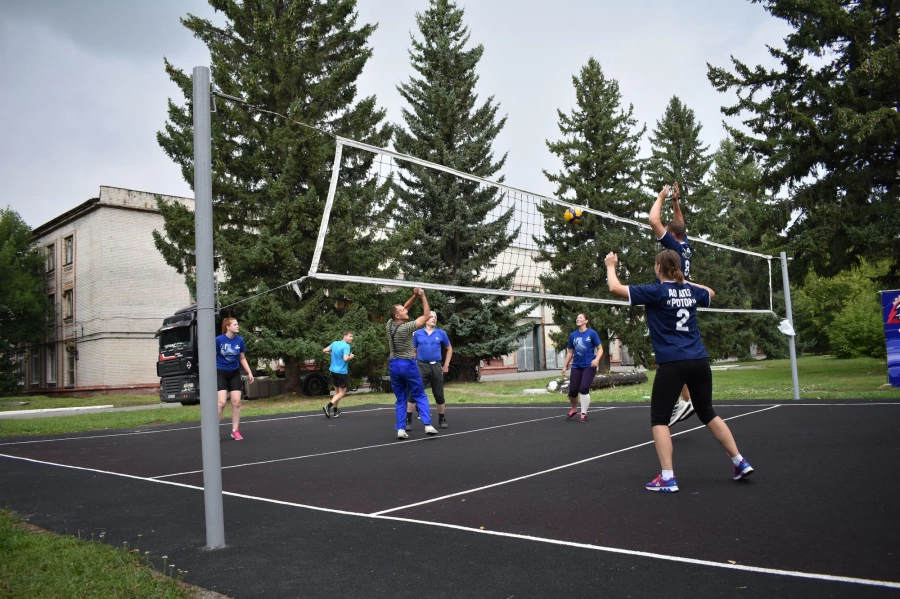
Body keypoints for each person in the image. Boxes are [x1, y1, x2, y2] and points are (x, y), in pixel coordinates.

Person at [605, 249, 754, 492]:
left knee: (660, 419)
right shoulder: (689, 290)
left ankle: (667, 477)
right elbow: (711, 293)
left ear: (657, 268)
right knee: (707, 412)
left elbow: (615, 288)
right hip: (699, 360)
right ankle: (739, 462)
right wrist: (683, 283)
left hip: (673, 362)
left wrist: (611, 266)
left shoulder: (656, 291)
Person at [649, 182, 696, 427]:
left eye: (668, 231)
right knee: (683, 351)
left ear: (671, 236)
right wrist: (676, 201)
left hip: (671, 301)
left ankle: (687, 400)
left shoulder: (674, 247)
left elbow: (654, 221)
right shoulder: (686, 246)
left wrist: (661, 197)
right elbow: (680, 225)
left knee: (675, 353)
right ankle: (687, 399)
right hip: (685, 298)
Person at [387, 288, 438, 440]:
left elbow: (405, 307)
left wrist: (414, 296)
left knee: (401, 399)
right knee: (419, 394)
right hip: (407, 365)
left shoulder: (390, 324)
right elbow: (427, 315)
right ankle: (428, 425)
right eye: (402, 310)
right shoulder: (406, 328)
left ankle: (401, 429)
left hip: (394, 366)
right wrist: (422, 296)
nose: (405, 309)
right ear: (398, 316)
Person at [406, 311, 452, 430]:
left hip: (436, 366)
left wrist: (446, 364)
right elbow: (414, 351)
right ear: (425, 319)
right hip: (421, 366)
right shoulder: (418, 334)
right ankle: (407, 419)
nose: (434, 319)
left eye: (435, 317)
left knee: (438, 394)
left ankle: (442, 418)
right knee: (414, 392)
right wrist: (411, 365)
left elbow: (449, 349)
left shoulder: (441, 333)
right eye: (431, 317)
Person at [216, 317, 254, 440]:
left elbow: (242, 358)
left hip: (234, 373)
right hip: (221, 372)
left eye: (238, 324)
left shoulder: (240, 340)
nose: (238, 326)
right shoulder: (219, 340)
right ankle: (213, 431)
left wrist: (249, 372)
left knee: (236, 402)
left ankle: (235, 430)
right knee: (221, 403)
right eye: (235, 324)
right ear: (228, 326)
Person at [560, 313, 603, 422]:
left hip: (589, 365)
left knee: (584, 388)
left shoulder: (592, 333)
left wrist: (596, 360)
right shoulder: (573, 335)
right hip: (576, 366)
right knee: (573, 391)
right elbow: (570, 352)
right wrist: (565, 366)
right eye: (577, 318)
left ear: (586, 321)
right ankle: (574, 410)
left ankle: (583, 413)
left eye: (580, 318)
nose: (578, 319)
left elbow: (600, 349)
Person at [322, 330, 354, 418]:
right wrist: (351, 356)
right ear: (345, 336)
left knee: (336, 392)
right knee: (342, 393)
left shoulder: (335, 343)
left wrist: (332, 354)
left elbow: (324, 350)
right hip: (341, 372)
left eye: (352, 336)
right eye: (350, 336)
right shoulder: (346, 346)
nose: (352, 338)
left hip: (333, 371)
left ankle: (335, 411)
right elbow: (345, 358)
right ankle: (327, 406)